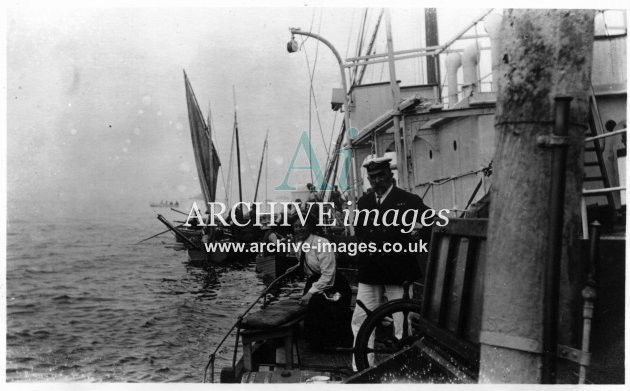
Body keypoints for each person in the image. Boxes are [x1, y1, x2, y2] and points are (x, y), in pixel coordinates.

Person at [351, 156, 431, 368]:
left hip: (399, 271)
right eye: (372, 177)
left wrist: (419, 233)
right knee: (360, 319)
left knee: (403, 323)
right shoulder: (364, 202)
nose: (376, 181)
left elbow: (430, 221)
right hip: (370, 271)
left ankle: (406, 367)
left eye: (380, 176)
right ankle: (360, 367)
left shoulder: (409, 200)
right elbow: (360, 232)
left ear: (390, 175)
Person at [289, 210, 353, 349]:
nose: (299, 229)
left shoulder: (321, 243)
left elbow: (328, 275)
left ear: (310, 226)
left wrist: (310, 293)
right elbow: (308, 262)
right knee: (310, 307)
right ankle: (317, 344)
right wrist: (295, 267)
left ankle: (332, 345)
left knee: (323, 308)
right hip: (315, 281)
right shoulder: (300, 244)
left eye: (302, 225)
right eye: (296, 226)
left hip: (334, 284)